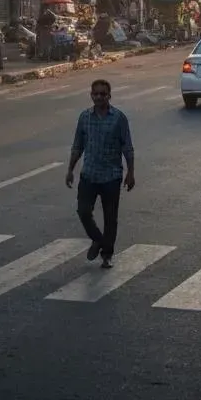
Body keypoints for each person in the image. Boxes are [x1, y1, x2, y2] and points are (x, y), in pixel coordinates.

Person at [66, 78, 135, 269]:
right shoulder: (84, 117)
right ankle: (98, 239)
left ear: (109, 96)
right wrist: (70, 169)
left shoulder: (119, 118)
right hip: (89, 175)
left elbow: (127, 147)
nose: (98, 97)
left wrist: (131, 172)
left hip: (111, 176)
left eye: (102, 94)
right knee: (83, 211)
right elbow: (77, 146)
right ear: (91, 95)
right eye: (95, 94)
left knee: (110, 217)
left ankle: (107, 255)